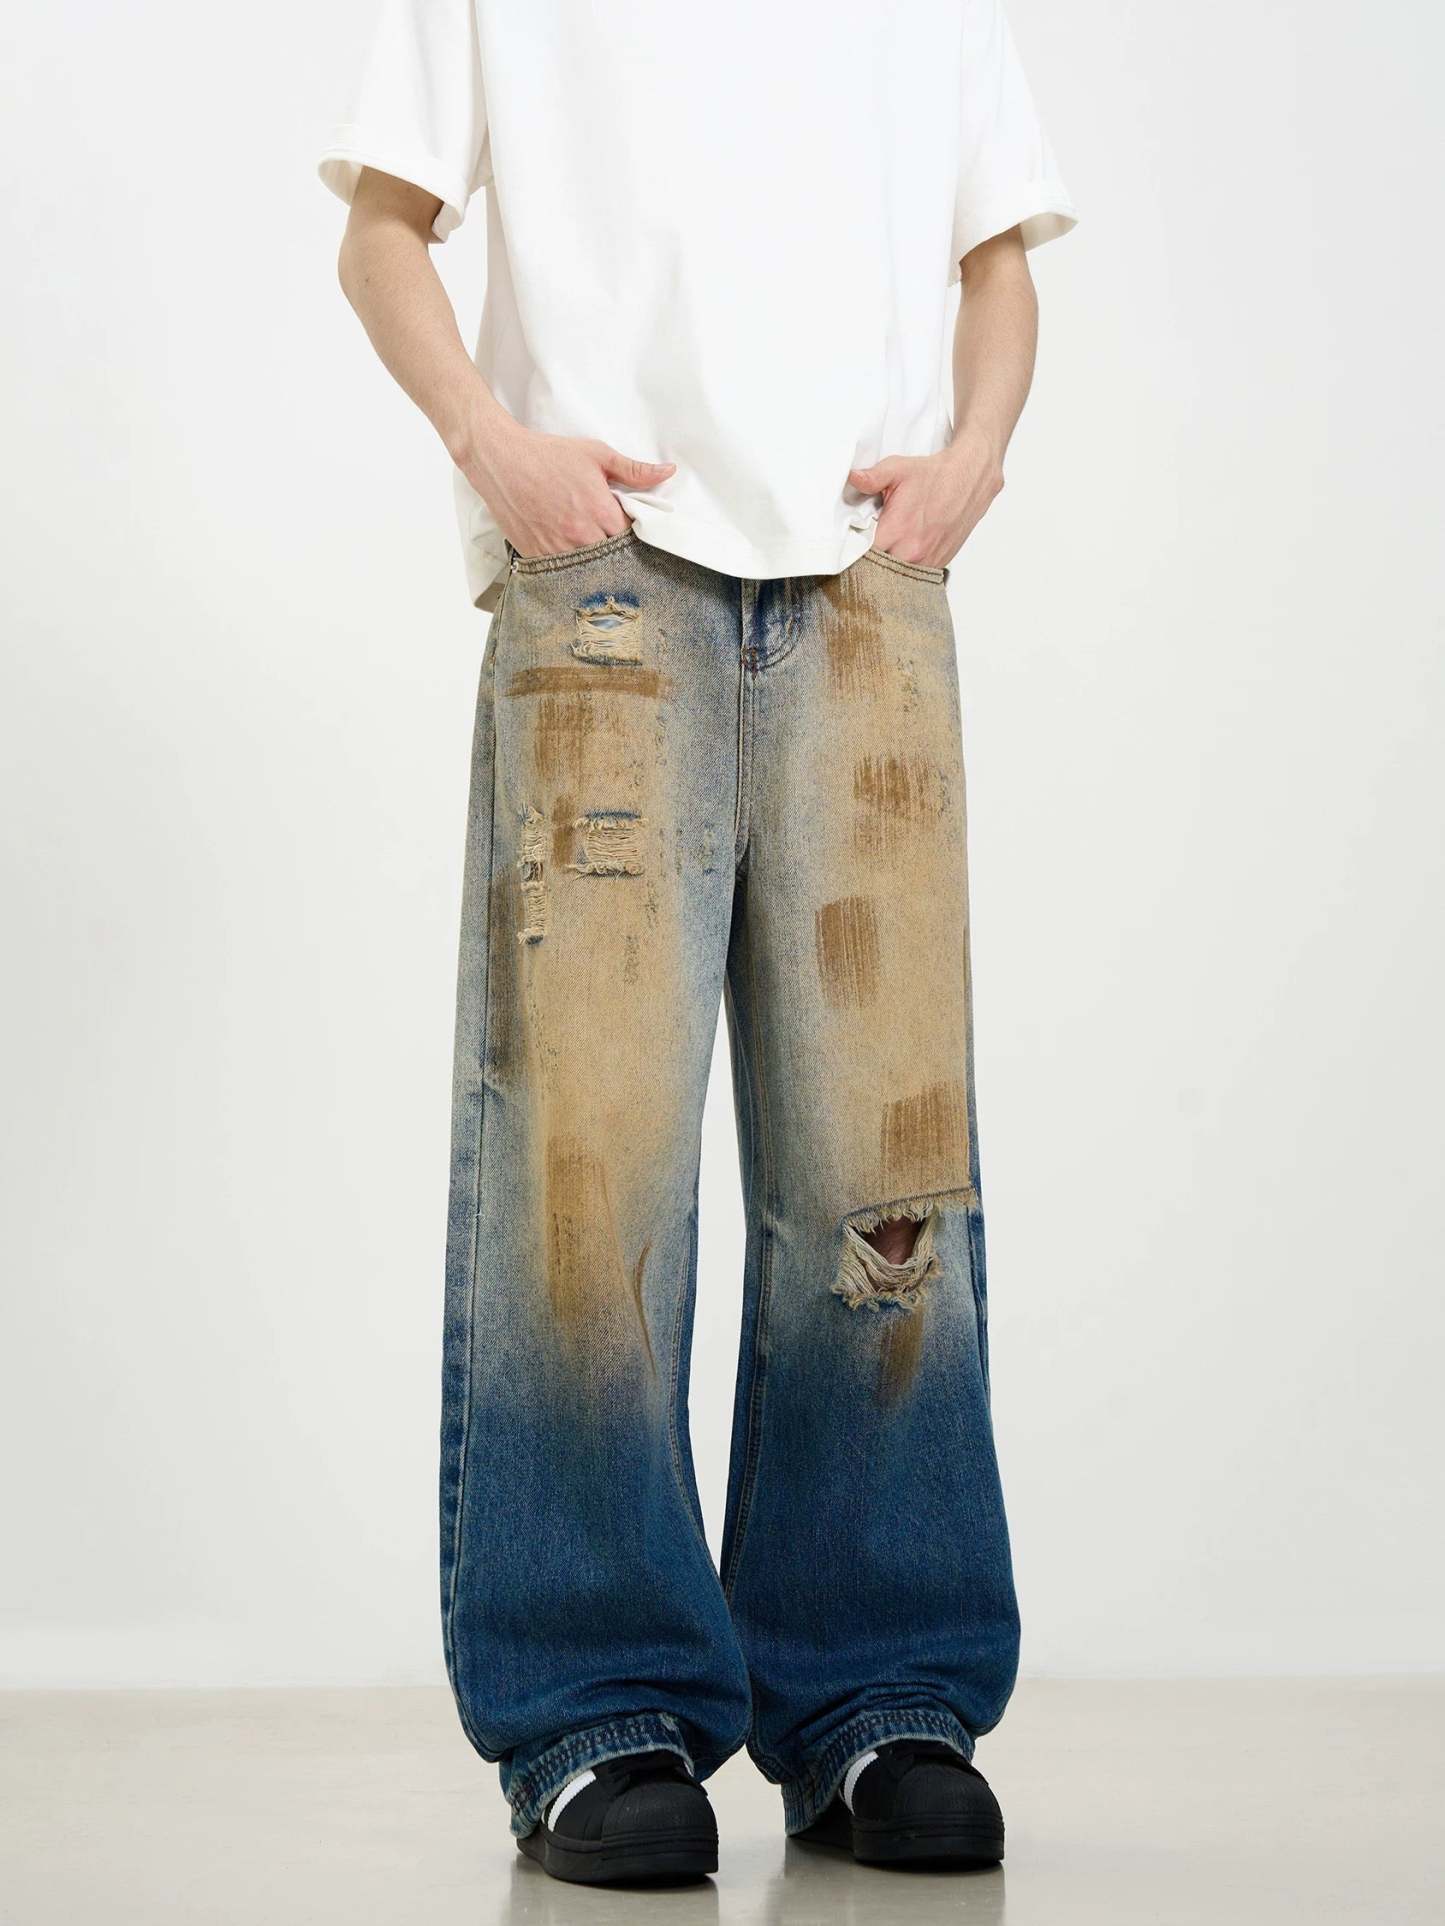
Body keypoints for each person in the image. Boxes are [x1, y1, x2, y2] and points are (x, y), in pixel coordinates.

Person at [320, 0, 1074, 1887]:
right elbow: (381, 229)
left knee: (883, 1187)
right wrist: (495, 449)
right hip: (606, 582)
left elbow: (995, 255)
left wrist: (973, 455)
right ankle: (594, 1711)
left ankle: (879, 1695)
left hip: (868, 584)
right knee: (585, 1185)